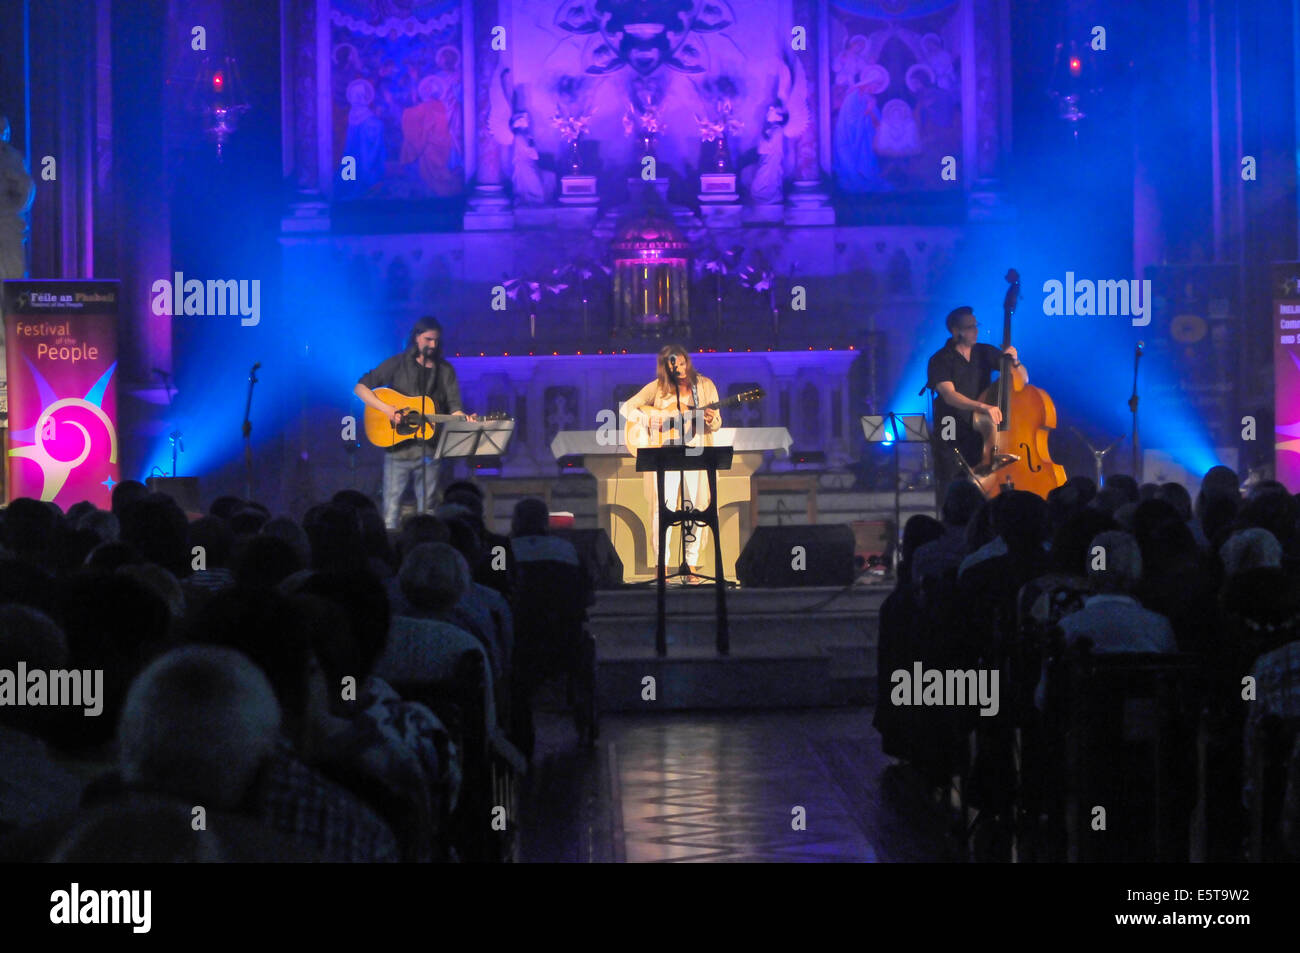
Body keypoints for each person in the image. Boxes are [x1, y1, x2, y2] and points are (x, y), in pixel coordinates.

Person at [354, 317, 476, 530]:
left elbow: (454, 407)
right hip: (397, 451)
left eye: (436, 341)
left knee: (428, 511)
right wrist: (387, 409)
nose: (433, 345)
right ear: (416, 337)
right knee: (390, 512)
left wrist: (463, 418)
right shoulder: (397, 363)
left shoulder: (444, 370)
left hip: (429, 451)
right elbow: (361, 388)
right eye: (428, 339)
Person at [620, 345, 722, 584]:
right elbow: (627, 408)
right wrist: (649, 418)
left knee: (695, 508)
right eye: (674, 365)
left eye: (683, 363)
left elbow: (716, 424)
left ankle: (691, 565)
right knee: (662, 508)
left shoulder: (705, 386)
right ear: (666, 368)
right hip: (664, 455)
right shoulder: (657, 387)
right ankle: (662, 567)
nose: (680, 368)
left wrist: (712, 419)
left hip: (696, 453)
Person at [926, 306, 1026, 490]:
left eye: (976, 325)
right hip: (952, 424)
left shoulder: (984, 351)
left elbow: (1023, 379)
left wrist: (1015, 361)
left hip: (981, 427)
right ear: (956, 331)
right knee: (952, 478)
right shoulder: (940, 359)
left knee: (981, 475)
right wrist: (983, 407)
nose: (975, 330)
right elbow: (949, 396)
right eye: (970, 327)